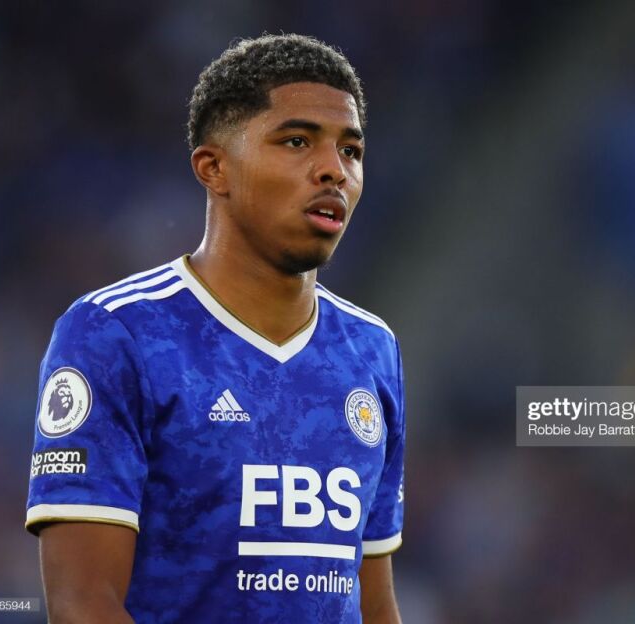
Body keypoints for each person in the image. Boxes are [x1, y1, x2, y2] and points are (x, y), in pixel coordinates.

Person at [25, 33, 405, 623]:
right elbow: (83, 604)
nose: (334, 169)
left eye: (351, 151)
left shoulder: (371, 349)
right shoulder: (116, 334)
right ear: (214, 168)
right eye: (297, 141)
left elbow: (372, 603)